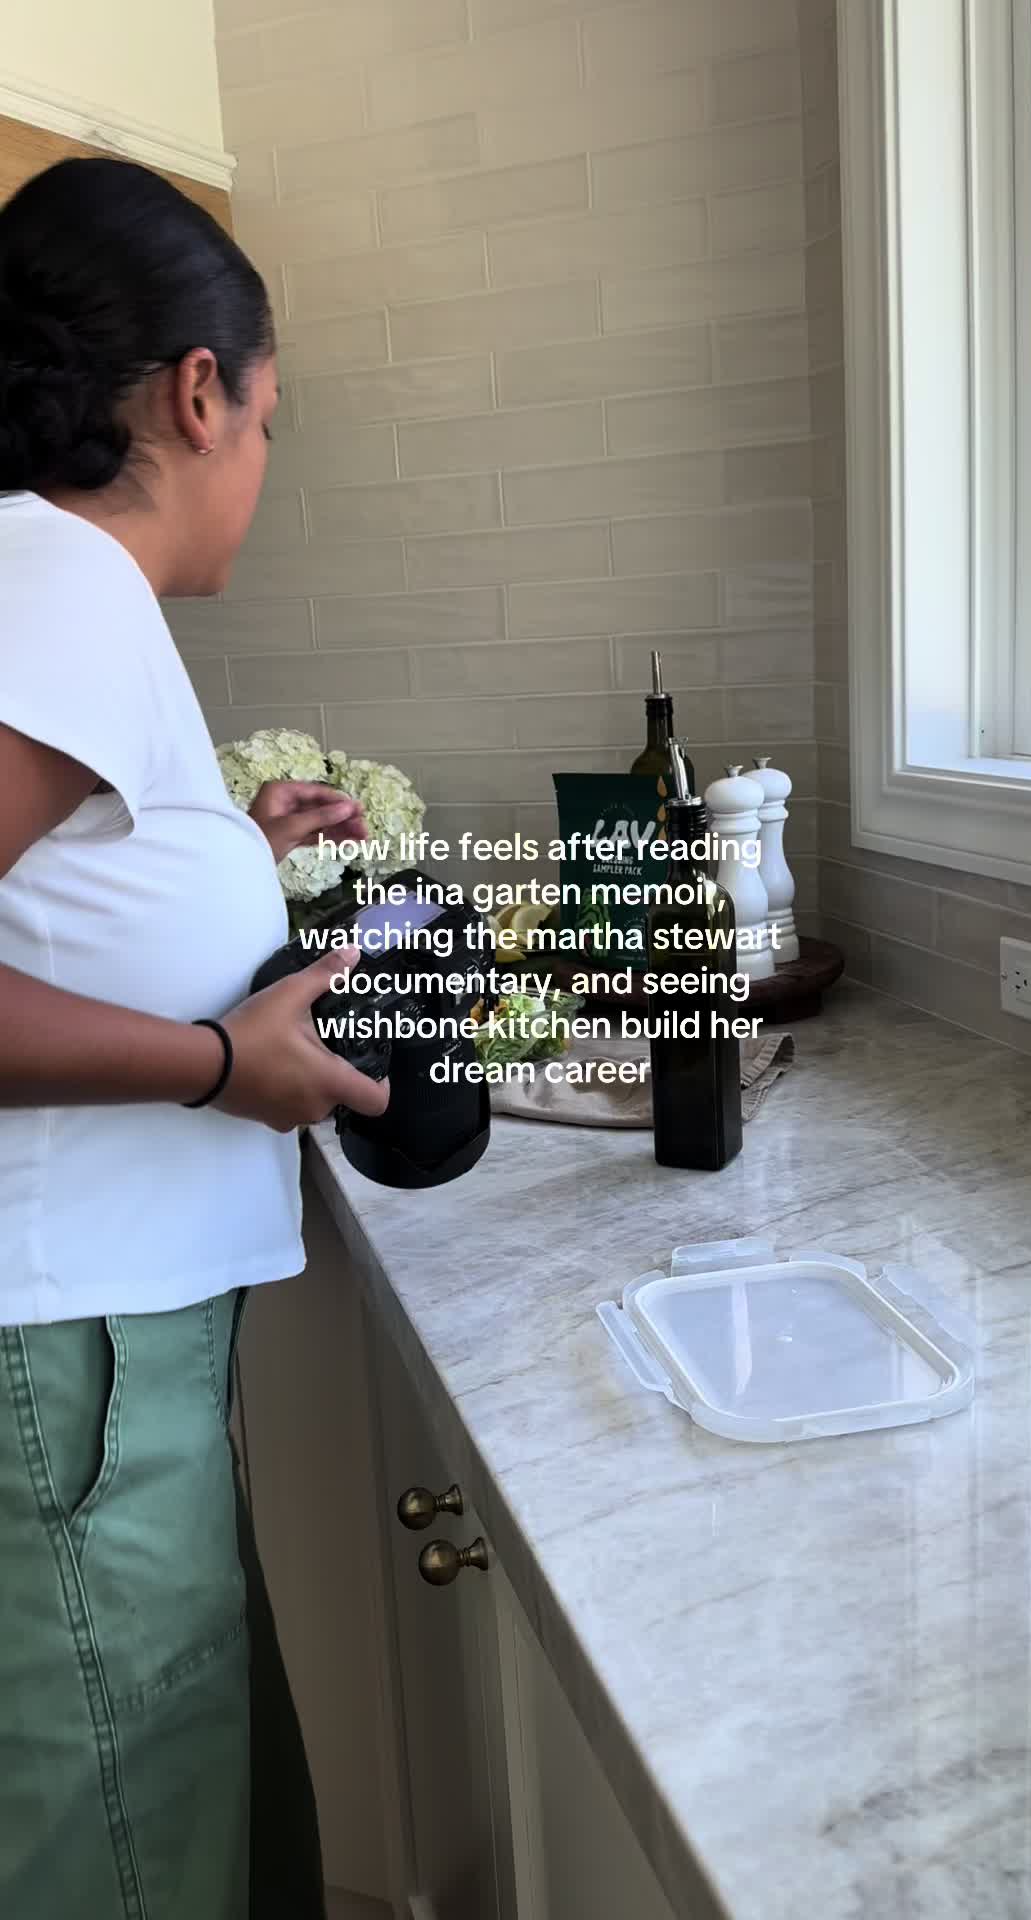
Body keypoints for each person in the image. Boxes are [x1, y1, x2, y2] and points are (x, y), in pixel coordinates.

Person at [0, 155, 389, 1919]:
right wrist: (231, 1066)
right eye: (270, 422)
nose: (262, 466)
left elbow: (50, 897)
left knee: (175, 1806)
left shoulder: (56, 586)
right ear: (198, 392)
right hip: (65, 1355)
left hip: (97, 1350)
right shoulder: (62, 584)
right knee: (121, 1844)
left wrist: (232, 843)